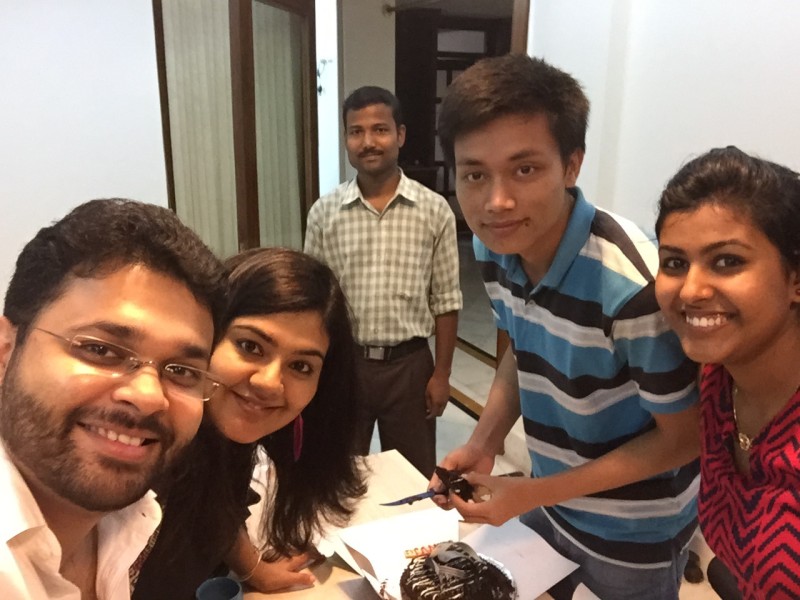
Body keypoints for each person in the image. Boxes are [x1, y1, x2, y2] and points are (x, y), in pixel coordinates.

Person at [432, 54, 701, 599]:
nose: (496, 202)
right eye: (475, 175)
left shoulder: (632, 287)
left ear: (571, 166)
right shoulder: (493, 246)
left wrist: (535, 493)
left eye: (525, 169)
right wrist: (485, 441)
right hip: (554, 504)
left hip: (633, 534)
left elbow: (684, 438)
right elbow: (524, 346)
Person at [0, 199, 225, 599]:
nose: (149, 396)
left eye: (182, 371)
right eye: (100, 350)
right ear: (5, 351)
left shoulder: (129, 522)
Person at [132, 247, 366, 598]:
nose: (270, 383)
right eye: (250, 346)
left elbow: (218, 503)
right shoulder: (141, 446)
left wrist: (253, 568)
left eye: (300, 366)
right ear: (205, 334)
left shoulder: (226, 433)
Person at [654, 146, 800, 599]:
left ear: (795, 278)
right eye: (675, 263)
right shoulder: (716, 380)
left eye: (727, 261)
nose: (691, 291)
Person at [304, 85, 462, 477]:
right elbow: (313, 302)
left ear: (400, 135)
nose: (368, 142)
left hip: (410, 368)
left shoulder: (434, 211)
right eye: (356, 131)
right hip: (346, 363)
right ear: (346, 139)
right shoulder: (325, 213)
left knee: (413, 475)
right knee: (337, 473)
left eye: (380, 130)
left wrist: (441, 375)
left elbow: (446, 300)